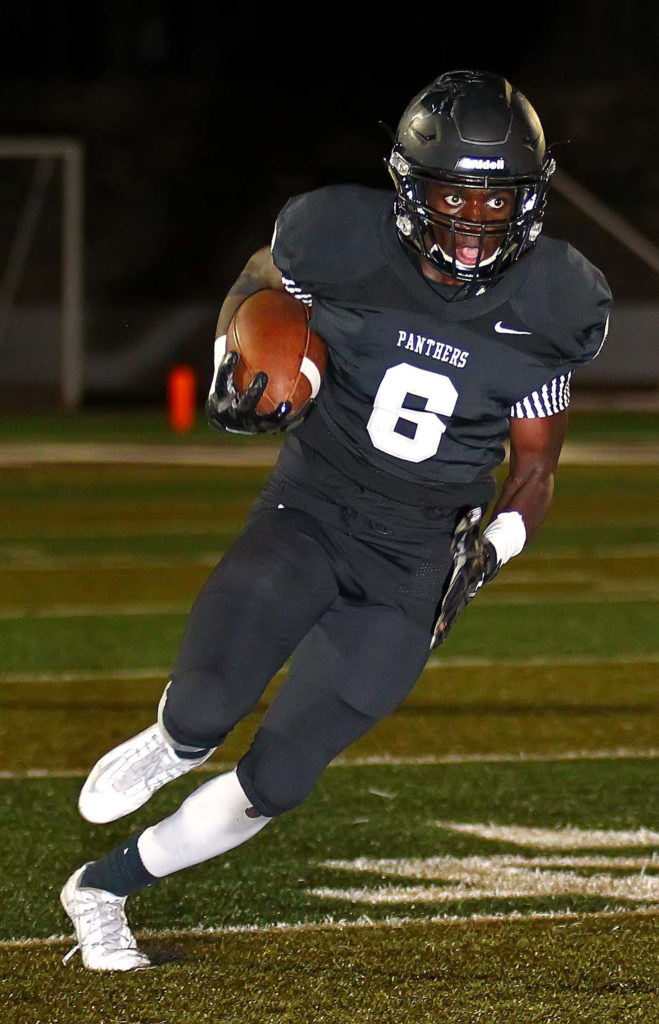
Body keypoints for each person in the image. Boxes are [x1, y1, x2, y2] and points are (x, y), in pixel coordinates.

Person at [60, 69, 611, 970]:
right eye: (451, 193)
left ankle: (102, 889)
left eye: (495, 197)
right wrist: (230, 356)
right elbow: (256, 286)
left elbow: (537, 465)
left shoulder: (559, 302)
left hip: (417, 555)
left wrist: (490, 553)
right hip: (313, 504)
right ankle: (174, 740)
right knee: (204, 707)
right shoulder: (335, 236)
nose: (473, 222)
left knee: (277, 780)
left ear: (532, 199)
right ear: (406, 187)